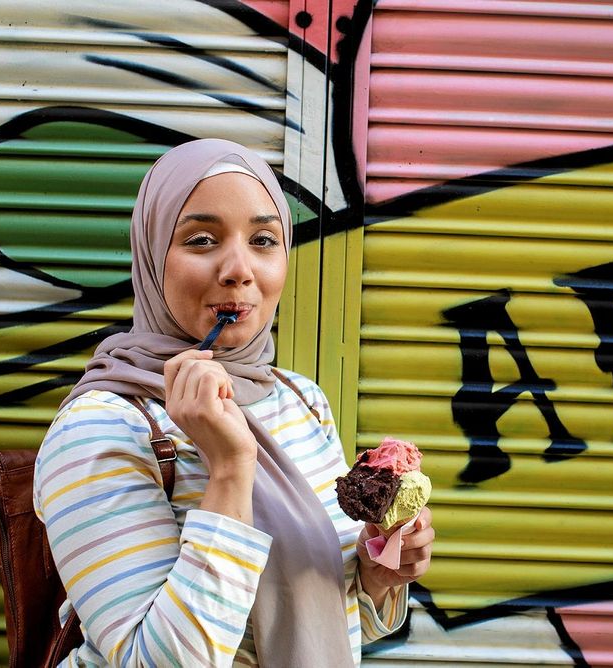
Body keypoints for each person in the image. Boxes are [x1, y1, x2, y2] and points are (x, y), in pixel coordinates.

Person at [33, 139, 434, 667]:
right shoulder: (100, 429)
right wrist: (229, 470)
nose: (239, 269)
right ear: (152, 255)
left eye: (264, 240)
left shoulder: (300, 401)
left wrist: (378, 577)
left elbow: (321, 622)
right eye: (201, 239)